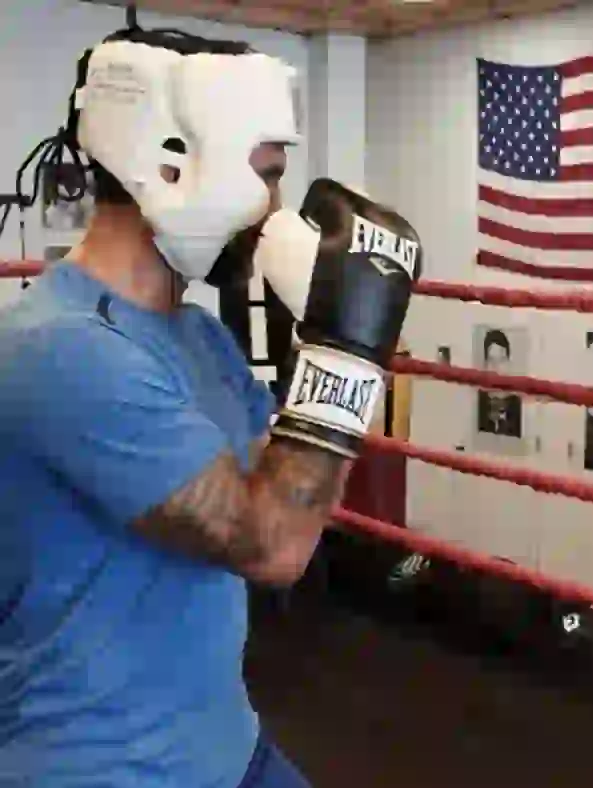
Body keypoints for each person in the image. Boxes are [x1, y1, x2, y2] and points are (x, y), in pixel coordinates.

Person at [0, 25, 422, 787]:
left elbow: (285, 489)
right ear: (168, 161)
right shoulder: (62, 352)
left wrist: (320, 341)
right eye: (264, 175)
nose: (275, 208)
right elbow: (275, 546)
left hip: (228, 746)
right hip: (100, 769)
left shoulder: (196, 334)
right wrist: (346, 354)